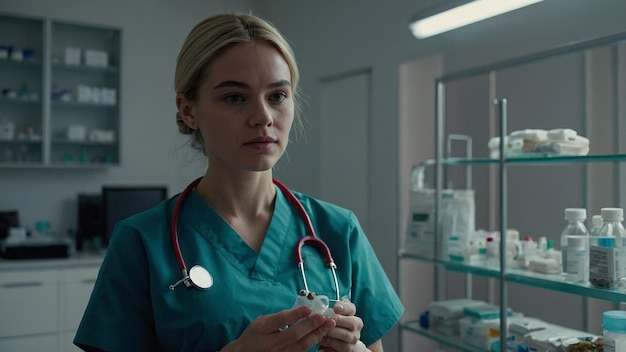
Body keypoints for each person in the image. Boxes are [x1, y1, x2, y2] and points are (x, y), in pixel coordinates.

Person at [74, 13, 404, 352]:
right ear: (189, 110)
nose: (263, 116)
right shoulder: (142, 242)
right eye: (235, 97)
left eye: (277, 96)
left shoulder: (338, 230)